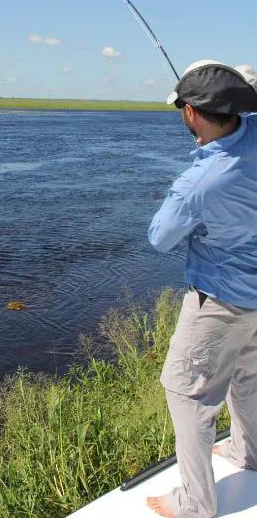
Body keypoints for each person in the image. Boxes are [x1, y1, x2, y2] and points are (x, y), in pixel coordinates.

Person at [146, 60, 257, 518]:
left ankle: (195, 505)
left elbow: (160, 237)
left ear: (191, 113)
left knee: (186, 393)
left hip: (220, 300)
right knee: (247, 378)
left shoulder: (199, 183)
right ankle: (248, 454)